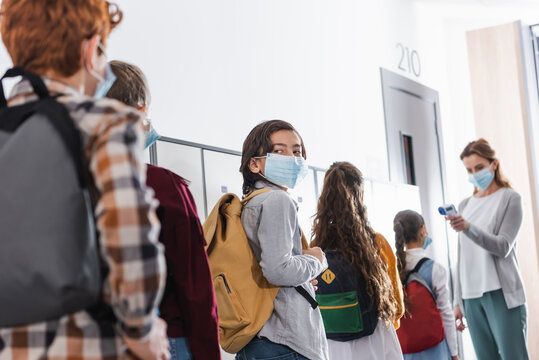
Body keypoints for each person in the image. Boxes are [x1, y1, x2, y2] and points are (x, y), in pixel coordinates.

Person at [0, 1, 169, 359]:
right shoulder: (102, 122)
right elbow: (130, 237)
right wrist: (141, 329)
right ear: (92, 50)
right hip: (88, 341)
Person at [106, 60, 221, 360]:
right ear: (141, 111)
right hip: (166, 338)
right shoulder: (163, 186)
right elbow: (194, 285)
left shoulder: (66, 184)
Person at [237, 120, 329, 360]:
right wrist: (317, 261)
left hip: (261, 340)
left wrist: (302, 278)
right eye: (279, 151)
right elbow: (278, 270)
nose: (291, 158)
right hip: (286, 342)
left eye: (296, 151)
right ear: (254, 164)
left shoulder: (252, 201)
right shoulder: (277, 200)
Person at [311, 161, 404, 360]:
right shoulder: (376, 242)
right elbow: (396, 303)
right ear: (360, 195)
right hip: (374, 337)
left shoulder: (316, 246)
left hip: (330, 343)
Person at [448, 138, 528, 360]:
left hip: (501, 294)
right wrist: (457, 301)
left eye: (479, 167)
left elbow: (503, 246)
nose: (474, 174)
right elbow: (461, 257)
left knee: (514, 356)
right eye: (469, 170)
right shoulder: (465, 205)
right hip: (471, 298)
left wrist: (469, 228)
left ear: (494, 164)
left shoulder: (510, 198)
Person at [393, 210, 458, 360]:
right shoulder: (435, 269)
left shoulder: (391, 269)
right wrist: (454, 354)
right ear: (423, 230)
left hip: (404, 350)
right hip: (435, 350)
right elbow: (446, 315)